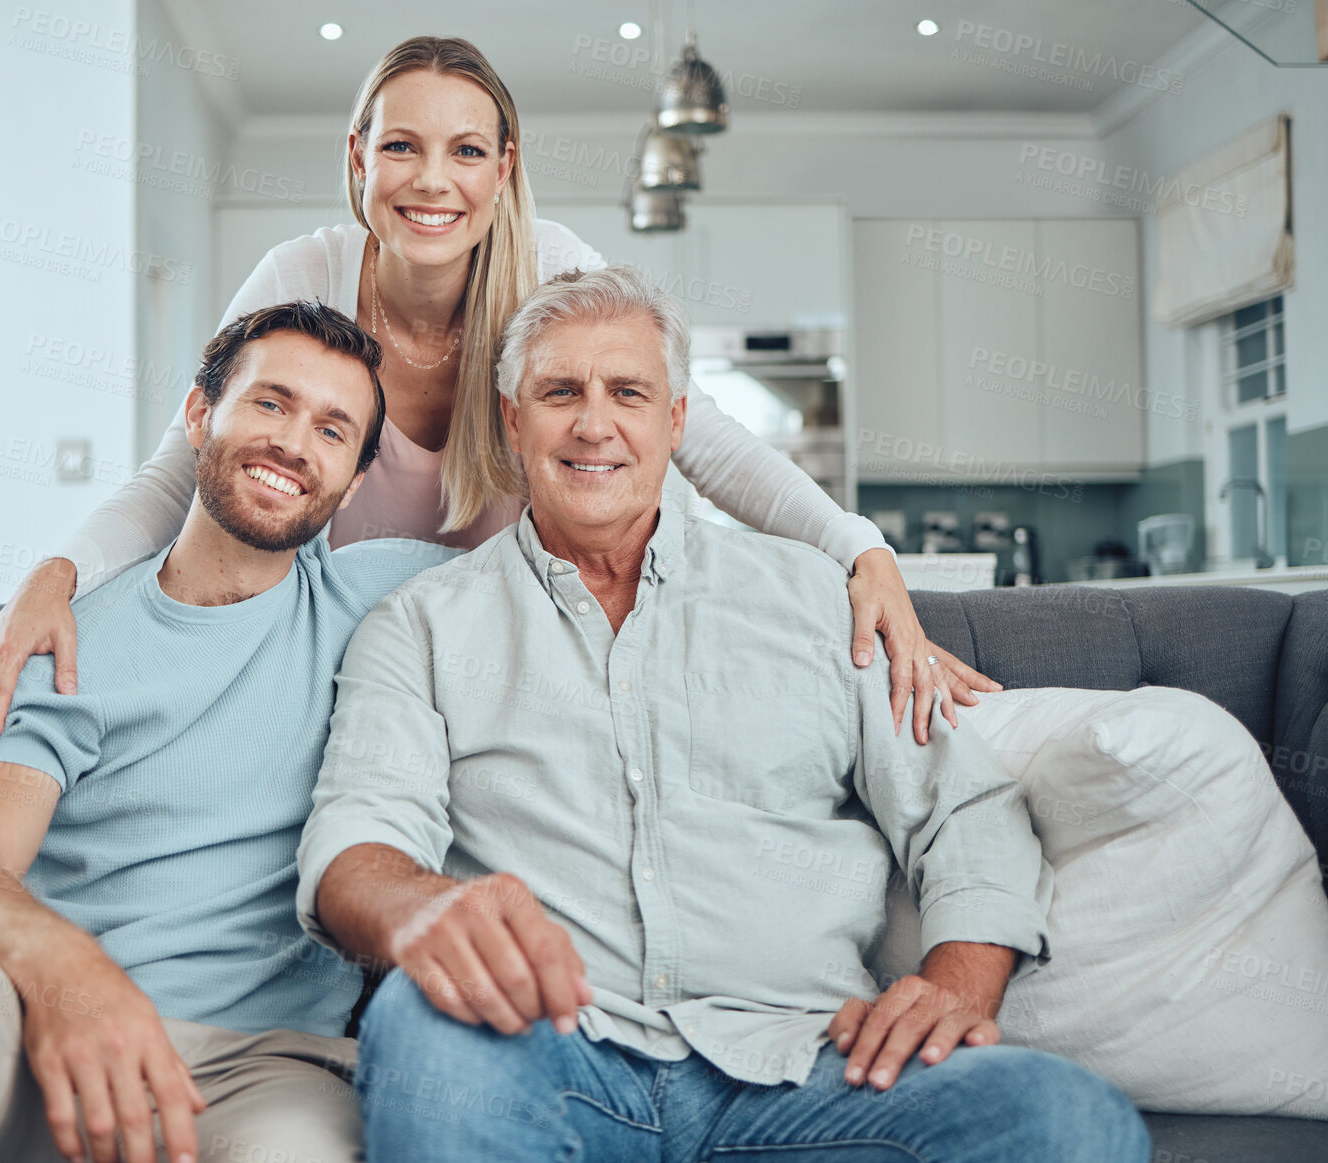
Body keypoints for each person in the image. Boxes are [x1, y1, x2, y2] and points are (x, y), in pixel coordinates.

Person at [296, 267, 1150, 1162]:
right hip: (543, 1054)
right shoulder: (421, 623)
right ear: (513, 421)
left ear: (675, 421)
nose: (594, 423)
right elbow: (359, 839)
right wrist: (417, 907)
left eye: (628, 391)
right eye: (559, 392)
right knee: (419, 1026)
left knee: (1071, 1123)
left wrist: (958, 982)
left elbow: (964, 809)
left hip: (816, 1068)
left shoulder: (822, 599)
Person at [0, 35, 996, 759]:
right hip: (340, 664)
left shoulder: (551, 267)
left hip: (521, 656)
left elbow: (699, 438)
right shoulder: (300, 278)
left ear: (502, 169)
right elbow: (180, 472)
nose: (429, 181)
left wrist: (859, 550)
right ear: (357, 161)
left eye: (463, 151)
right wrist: (54, 576)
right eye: (399, 146)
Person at [0, 302, 459, 1163]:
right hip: (41, 1029)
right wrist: (70, 977)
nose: (293, 444)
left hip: (263, 1067)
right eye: (271, 403)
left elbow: (579, 548)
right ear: (199, 414)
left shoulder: (385, 602)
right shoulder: (62, 635)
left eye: (332, 430)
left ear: (354, 481)